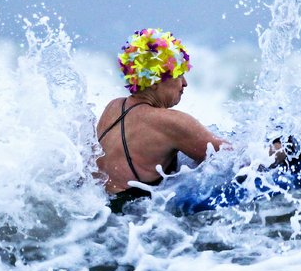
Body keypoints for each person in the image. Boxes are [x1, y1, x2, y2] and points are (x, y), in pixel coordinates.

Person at [95, 28, 227, 212]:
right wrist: (278, 149)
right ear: (155, 80)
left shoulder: (113, 107)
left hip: (100, 210)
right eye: (179, 74)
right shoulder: (170, 122)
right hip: (133, 217)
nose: (185, 83)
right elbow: (231, 157)